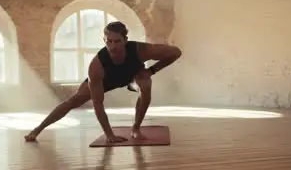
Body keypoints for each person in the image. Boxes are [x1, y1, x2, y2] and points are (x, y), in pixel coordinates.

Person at [25, 21, 182, 143]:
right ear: (104, 40)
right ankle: (37, 130)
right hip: (106, 81)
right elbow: (98, 104)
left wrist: (151, 71)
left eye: (117, 41)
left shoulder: (141, 50)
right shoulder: (96, 66)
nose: (113, 46)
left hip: (133, 77)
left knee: (146, 84)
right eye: (109, 41)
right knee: (73, 101)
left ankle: (136, 128)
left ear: (125, 40)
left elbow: (175, 52)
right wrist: (109, 134)